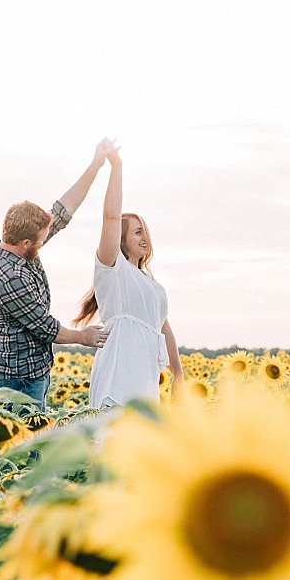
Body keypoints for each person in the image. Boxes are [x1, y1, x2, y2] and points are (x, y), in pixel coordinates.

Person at [0, 140, 113, 411]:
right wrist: (83, 337)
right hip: (17, 377)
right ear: (26, 243)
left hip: (33, 367)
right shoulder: (10, 277)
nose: (45, 243)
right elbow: (45, 327)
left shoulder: (18, 243)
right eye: (42, 242)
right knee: (22, 450)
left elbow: (62, 212)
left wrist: (95, 165)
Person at [75, 144, 184, 407]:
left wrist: (178, 375)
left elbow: (165, 329)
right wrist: (116, 167)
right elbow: (111, 216)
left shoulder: (152, 285)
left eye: (145, 230)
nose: (144, 236)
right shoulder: (113, 268)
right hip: (118, 375)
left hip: (145, 379)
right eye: (137, 232)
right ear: (120, 240)